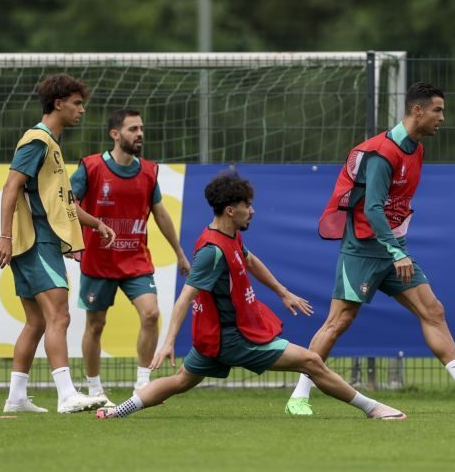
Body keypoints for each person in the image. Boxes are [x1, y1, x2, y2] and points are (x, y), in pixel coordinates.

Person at [284, 82, 455, 416]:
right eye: (437, 110)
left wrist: (396, 248)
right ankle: (299, 396)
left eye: (443, 111)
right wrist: (397, 252)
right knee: (339, 321)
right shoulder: (383, 153)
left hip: (393, 249)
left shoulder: (416, 148)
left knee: (432, 310)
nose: (442, 118)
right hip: (364, 250)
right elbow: (373, 208)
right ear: (416, 111)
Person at [95, 172, 405, 420]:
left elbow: (250, 260)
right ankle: (373, 408)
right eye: (248, 205)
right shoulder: (211, 251)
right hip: (233, 339)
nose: (253, 210)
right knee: (311, 361)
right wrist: (167, 342)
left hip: (216, 337)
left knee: (179, 383)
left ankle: (116, 411)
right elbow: (184, 298)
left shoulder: (229, 234)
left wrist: (284, 293)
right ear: (231, 210)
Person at [0, 74, 116, 414]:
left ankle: (16, 397)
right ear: (57, 103)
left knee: (38, 321)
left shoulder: (53, 146)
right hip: (35, 241)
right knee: (59, 314)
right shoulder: (38, 140)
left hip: (36, 241)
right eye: (76, 103)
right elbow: (10, 187)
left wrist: (96, 224)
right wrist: (5, 236)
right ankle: (66, 395)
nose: (82, 110)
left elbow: (65, 204)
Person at [71, 108, 191, 406]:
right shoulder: (90, 167)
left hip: (136, 260)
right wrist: (75, 239)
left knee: (151, 313)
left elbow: (161, 215)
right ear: (115, 134)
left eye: (141, 129)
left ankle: (142, 383)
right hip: (98, 262)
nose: (140, 134)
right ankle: (95, 389)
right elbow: (68, 206)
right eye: (132, 129)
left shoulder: (149, 171)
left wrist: (180, 253)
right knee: (96, 325)